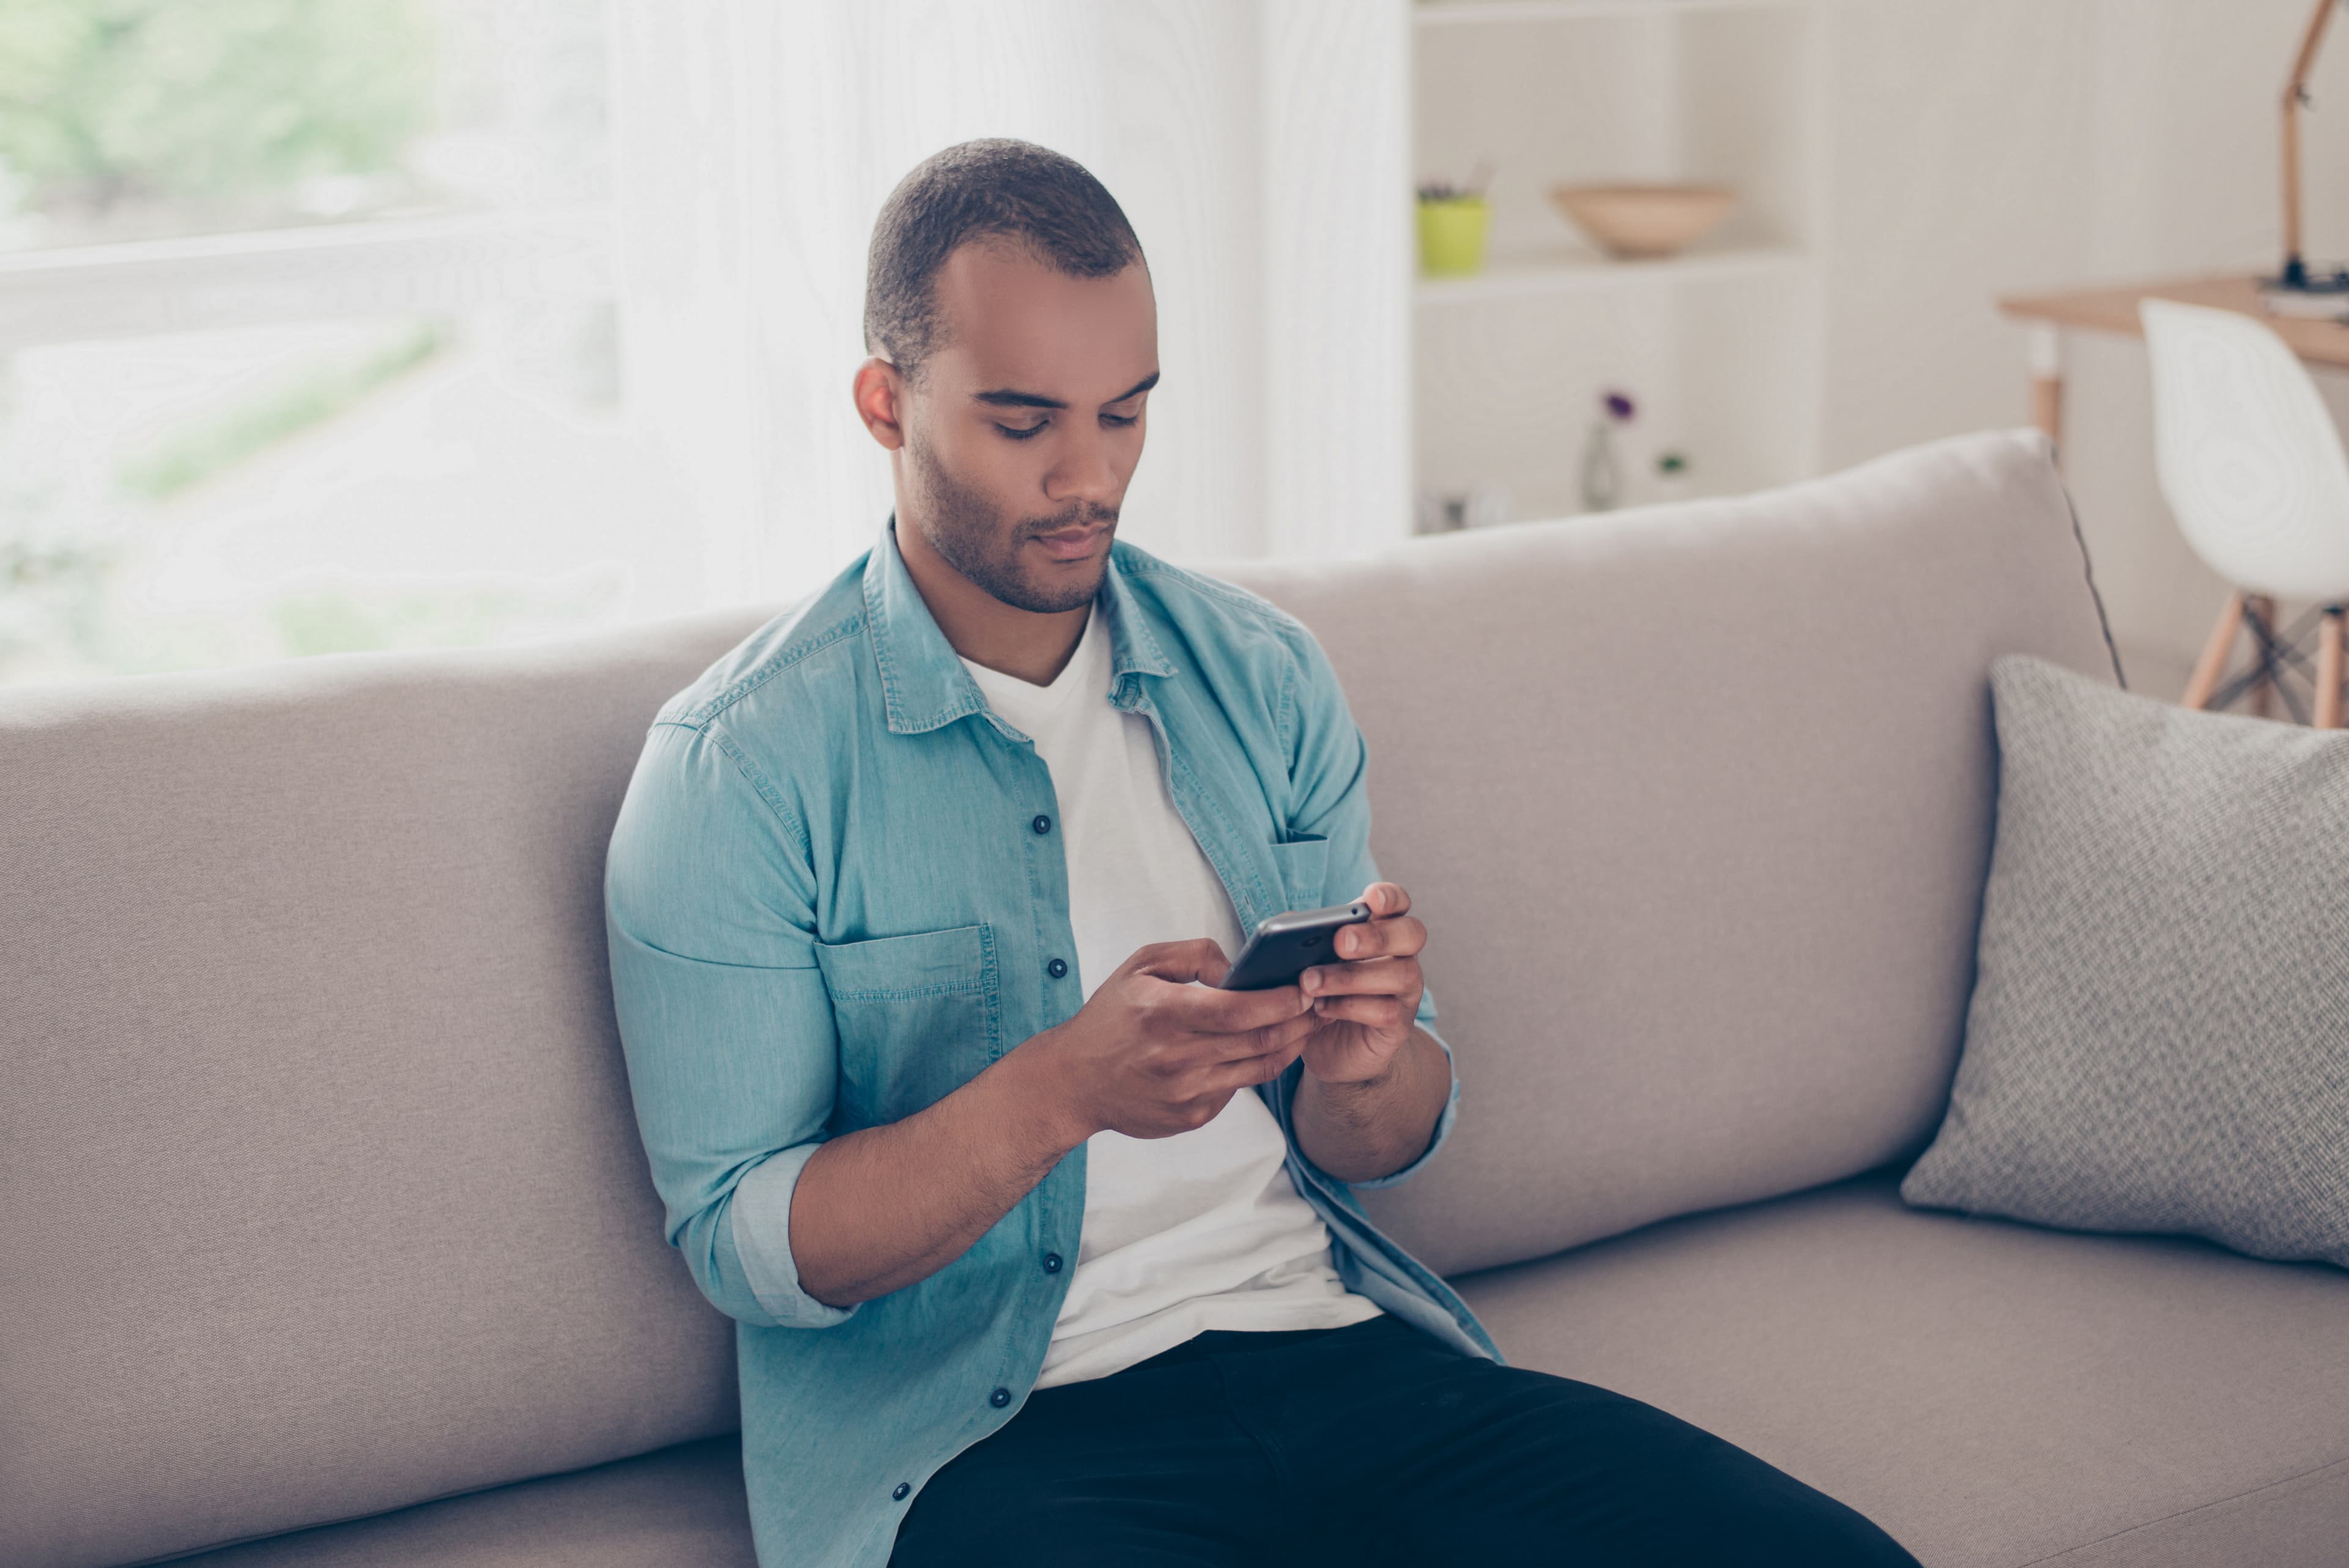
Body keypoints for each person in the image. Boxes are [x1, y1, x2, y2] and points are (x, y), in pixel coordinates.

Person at [603, 137, 1921, 1568]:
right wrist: (1060, 1091)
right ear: (885, 403)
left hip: (1338, 1354)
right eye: (1024, 422)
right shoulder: (738, 768)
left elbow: (1381, 1136)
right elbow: (745, 1244)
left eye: (1125, 414)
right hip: (991, 1444)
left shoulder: (1260, 677)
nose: (1088, 478)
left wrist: (1366, 1059)